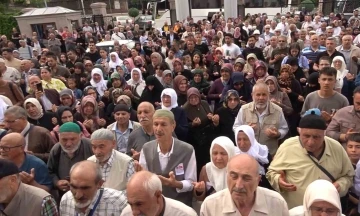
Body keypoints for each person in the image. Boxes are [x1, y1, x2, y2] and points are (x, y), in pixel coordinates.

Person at [266, 113, 354, 209]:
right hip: (295, 210)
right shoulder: (287, 146)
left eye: (316, 137)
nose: (310, 142)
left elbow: (348, 176)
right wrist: (279, 181)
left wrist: (340, 185)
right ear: (299, 131)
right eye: (306, 136)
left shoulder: (336, 147)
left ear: (324, 134)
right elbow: (271, 172)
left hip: (326, 212)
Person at [138, 109, 196, 207]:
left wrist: (175, 184)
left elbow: (191, 183)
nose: (158, 129)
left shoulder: (187, 150)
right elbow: (144, 180)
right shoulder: (146, 148)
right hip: (155, 206)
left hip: (180, 205)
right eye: (155, 124)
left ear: (173, 126)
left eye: (163, 124)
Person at [200, 154, 289, 216]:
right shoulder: (210, 205)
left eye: (246, 178)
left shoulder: (277, 204)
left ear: (258, 180)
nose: (239, 185)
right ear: (227, 176)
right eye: (234, 176)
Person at [233, 82, 289, 156]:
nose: (261, 98)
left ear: (268, 95)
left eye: (264, 95)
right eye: (258, 95)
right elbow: (236, 127)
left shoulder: (278, 110)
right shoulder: (244, 109)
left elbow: (284, 128)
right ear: (252, 95)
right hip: (248, 154)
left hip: (269, 154)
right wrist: (246, 130)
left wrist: (277, 134)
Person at [59, 161, 128, 215]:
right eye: (73, 187)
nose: (78, 195)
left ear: (100, 184)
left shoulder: (118, 203)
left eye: (85, 188)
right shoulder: (66, 200)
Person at [47, 122, 93, 199]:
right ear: (59, 137)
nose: (68, 144)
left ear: (81, 136)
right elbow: (50, 171)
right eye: (64, 140)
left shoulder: (90, 146)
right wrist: (57, 182)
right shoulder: (56, 149)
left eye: (73, 139)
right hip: (65, 195)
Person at [121, 170, 197, 216]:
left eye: (139, 204)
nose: (134, 212)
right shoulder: (126, 214)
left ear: (158, 196)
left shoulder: (185, 214)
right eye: (130, 204)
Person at [192, 136, 235, 201]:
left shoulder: (237, 170)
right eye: (215, 153)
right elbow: (200, 199)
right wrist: (200, 191)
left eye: (223, 153)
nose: (219, 158)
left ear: (230, 153)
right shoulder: (206, 169)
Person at [234, 125, 272, 189]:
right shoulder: (234, 154)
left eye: (245, 139)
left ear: (251, 139)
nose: (242, 143)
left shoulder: (262, 152)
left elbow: (270, 174)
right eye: (239, 139)